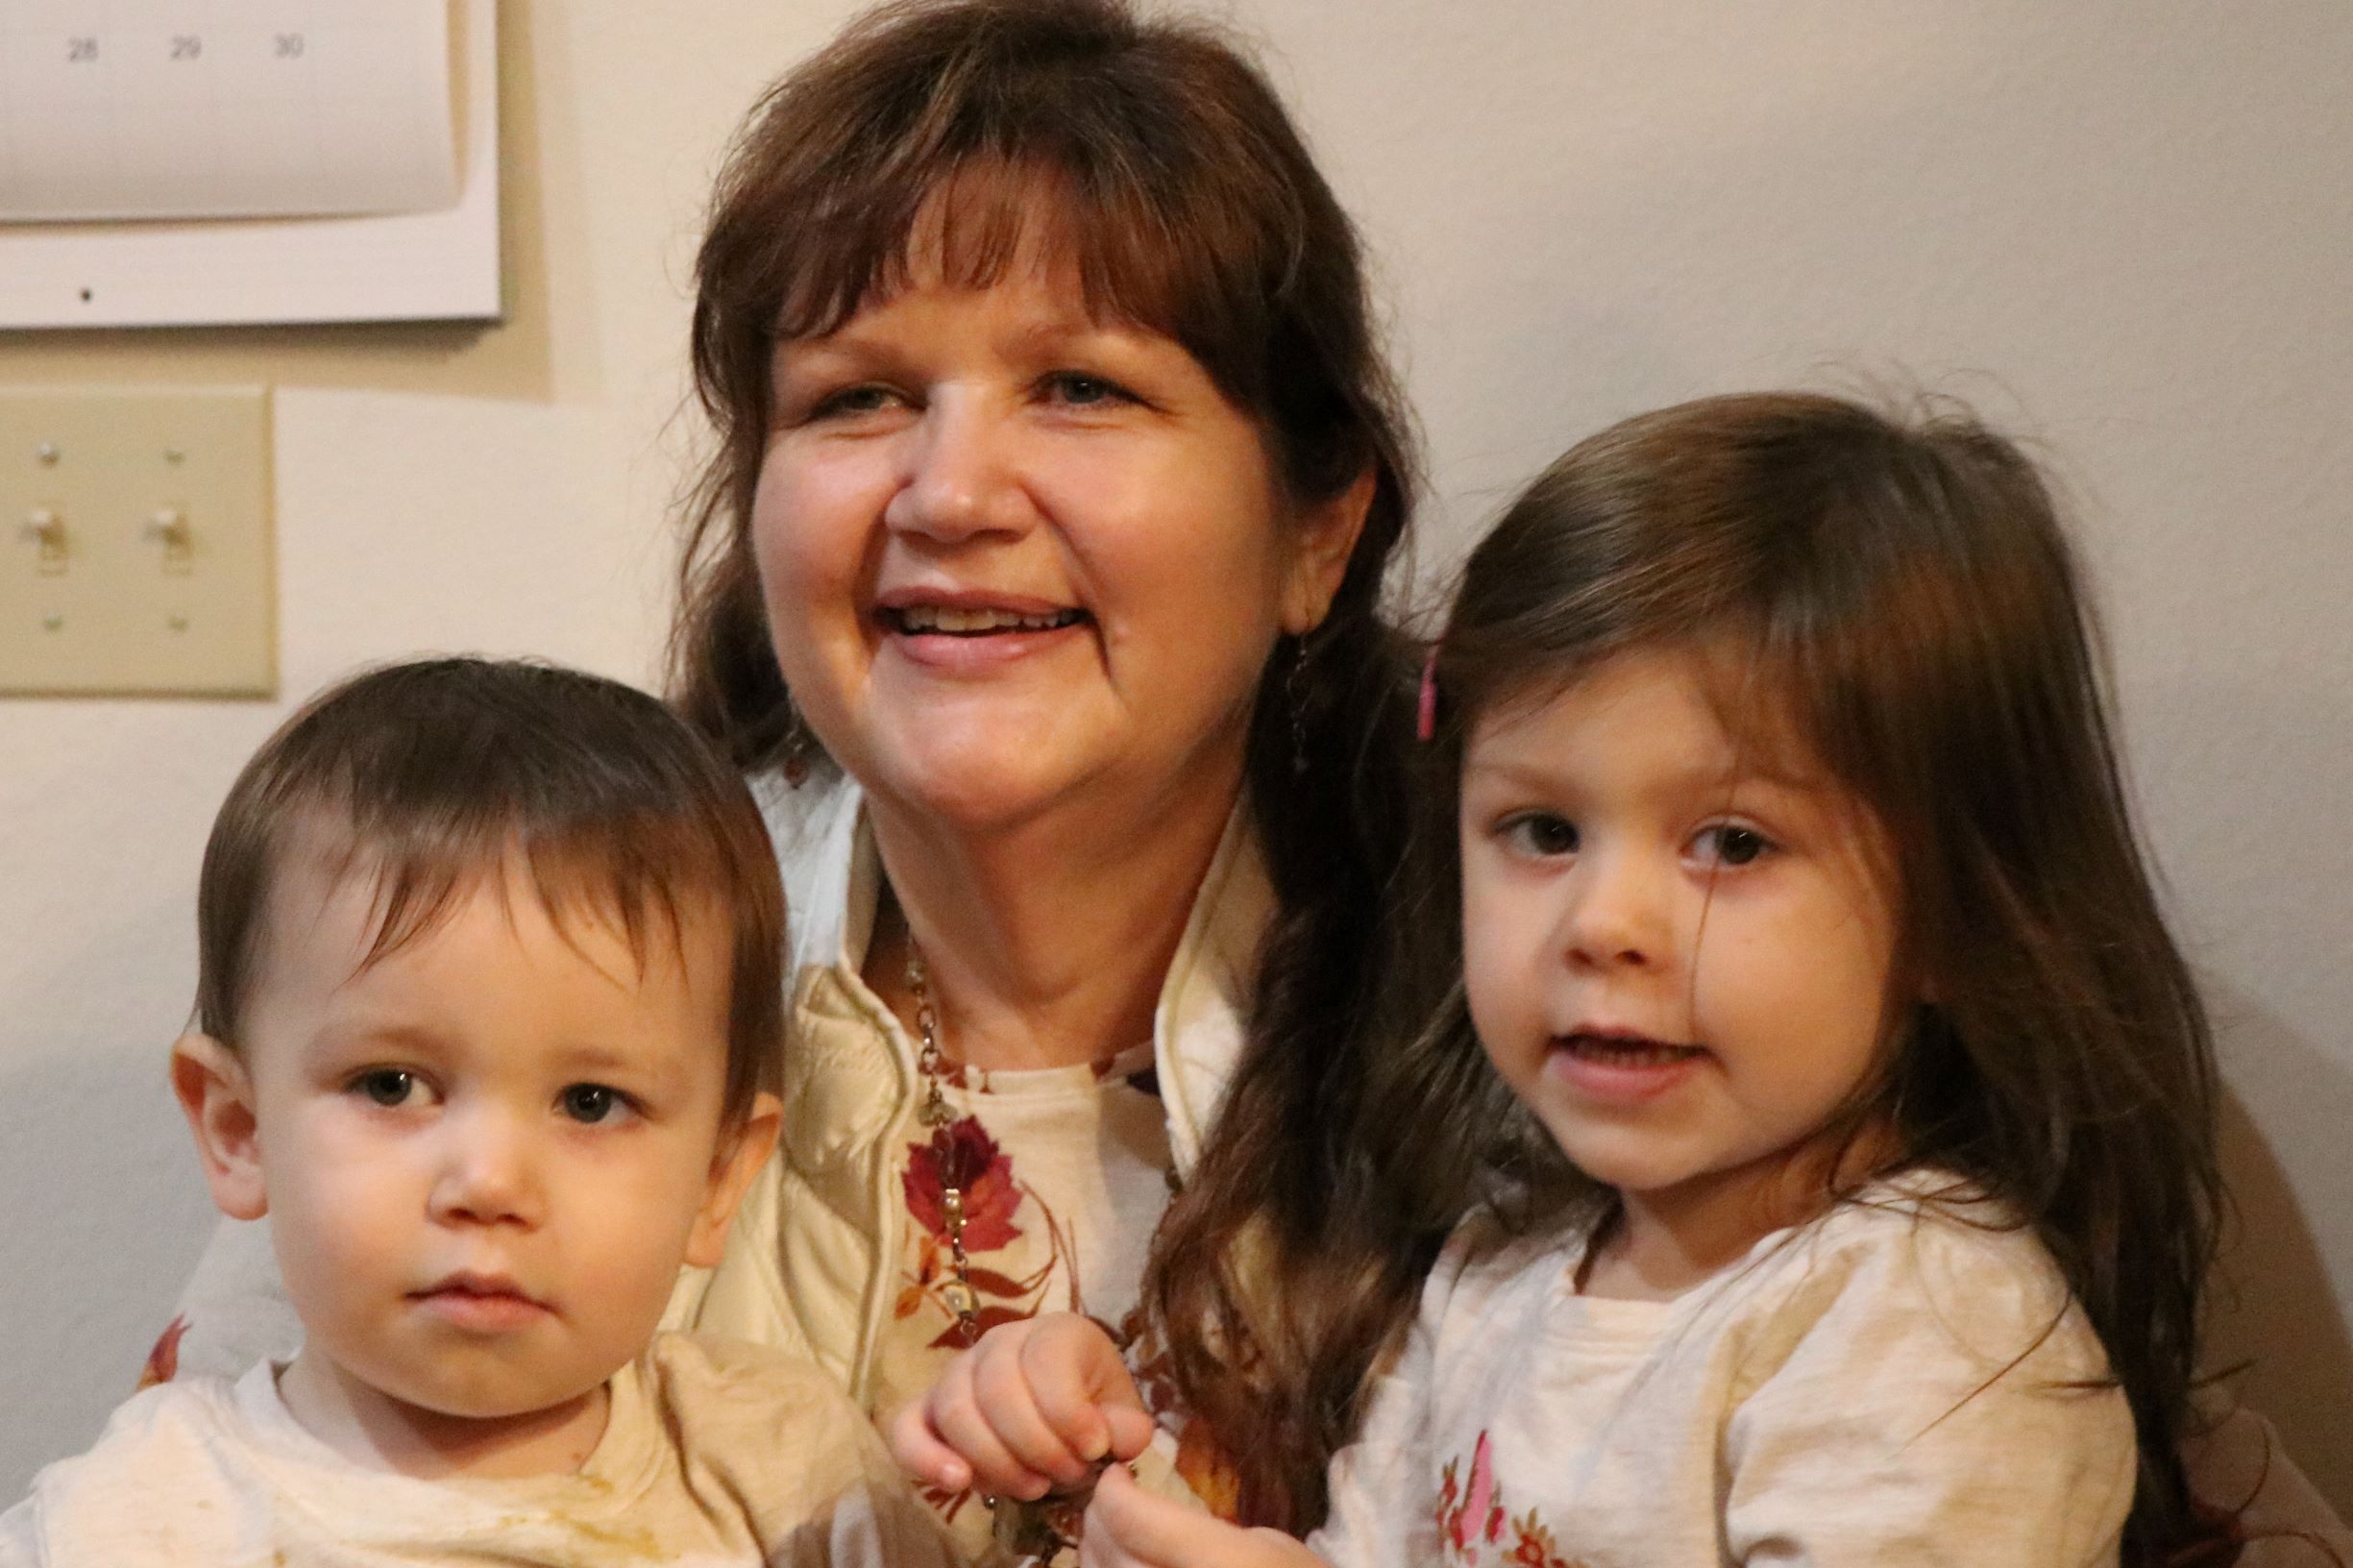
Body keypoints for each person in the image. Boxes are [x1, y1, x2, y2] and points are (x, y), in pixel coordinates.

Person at [159, 0, 1427, 1557]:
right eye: (857, 396)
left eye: (1080, 387)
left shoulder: (1536, 1011)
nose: (950, 493)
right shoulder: (526, 953)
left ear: (1315, 528)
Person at [894, 392, 2273, 1565]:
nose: (1603, 924)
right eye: (1542, 832)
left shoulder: (1926, 1331)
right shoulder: (1506, 1266)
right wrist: (1120, 1459)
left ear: (1952, 918)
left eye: (1732, 844)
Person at [6, 659, 952, 1567]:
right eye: (392, 1086)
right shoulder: (128, 1522)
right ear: (239, 1131)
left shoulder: (795, 1482)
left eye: (591, 1103)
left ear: (717, 1176)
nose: (490, 1184)